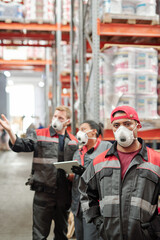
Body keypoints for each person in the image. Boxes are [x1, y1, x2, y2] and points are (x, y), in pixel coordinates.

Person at [79, 105, 160, 240]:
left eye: (127, 124)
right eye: (116, 125)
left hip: (144, 236)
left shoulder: (155, 160)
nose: (121, 129)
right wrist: (98, 222)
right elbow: (85, 191)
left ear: (138, 126)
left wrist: (154, 228)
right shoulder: (99, 162)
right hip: (110, 235)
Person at [0, 105, 78, 240]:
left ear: (68, 121)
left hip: (64, 193)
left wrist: (73, 175)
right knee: (39, 235)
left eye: (61, 118)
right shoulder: (40, 134)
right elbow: (20, 145)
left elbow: (77, 166)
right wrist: (10, 131)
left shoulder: (73, 141)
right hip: (43, 192)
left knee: (62, 234)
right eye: (55, 116)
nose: (56, 120)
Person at [71, 120, 112, 240]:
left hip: (93, 204)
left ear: (93, 132)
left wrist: (87, 172)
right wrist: (68, 174)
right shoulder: (78, 152)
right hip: (78, 204)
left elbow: (110, 174)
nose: (80, 132)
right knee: (80, 236)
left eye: (83, 129)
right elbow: (75, 178)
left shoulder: (106, 148)